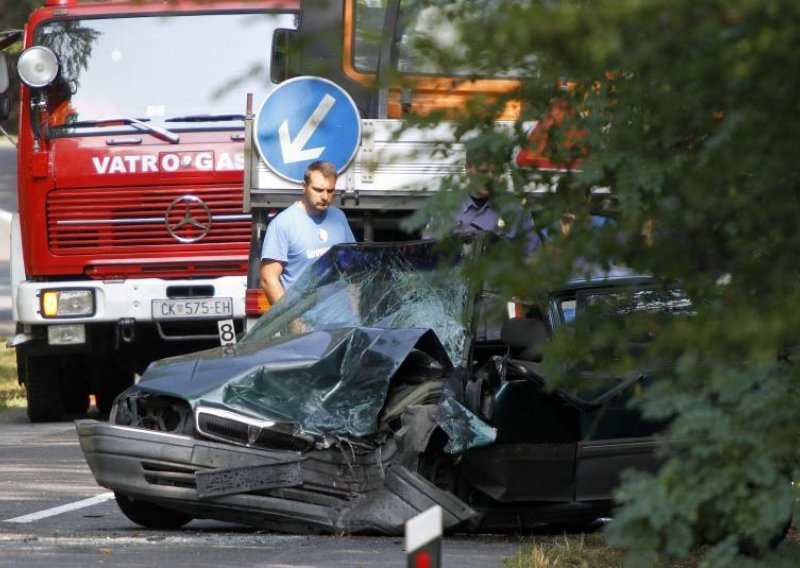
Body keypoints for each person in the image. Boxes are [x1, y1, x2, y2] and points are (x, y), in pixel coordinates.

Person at [260, 161, 355, 305]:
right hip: (305, 322)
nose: (325, 197)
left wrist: (356, 315)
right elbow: (268, 279)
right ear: (304, 187)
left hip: (342, 321)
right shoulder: (282, 224)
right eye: (318, 190)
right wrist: (292, 321)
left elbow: (353, 268)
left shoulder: (338, 217)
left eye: (330, 191)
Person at [451, 145, 542, 255]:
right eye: (483, 172)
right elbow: (429, 258)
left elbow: (534, 258)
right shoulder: (446, 209)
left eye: (495, 172)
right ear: (467, 169)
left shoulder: (515, 208)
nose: (490, 178)